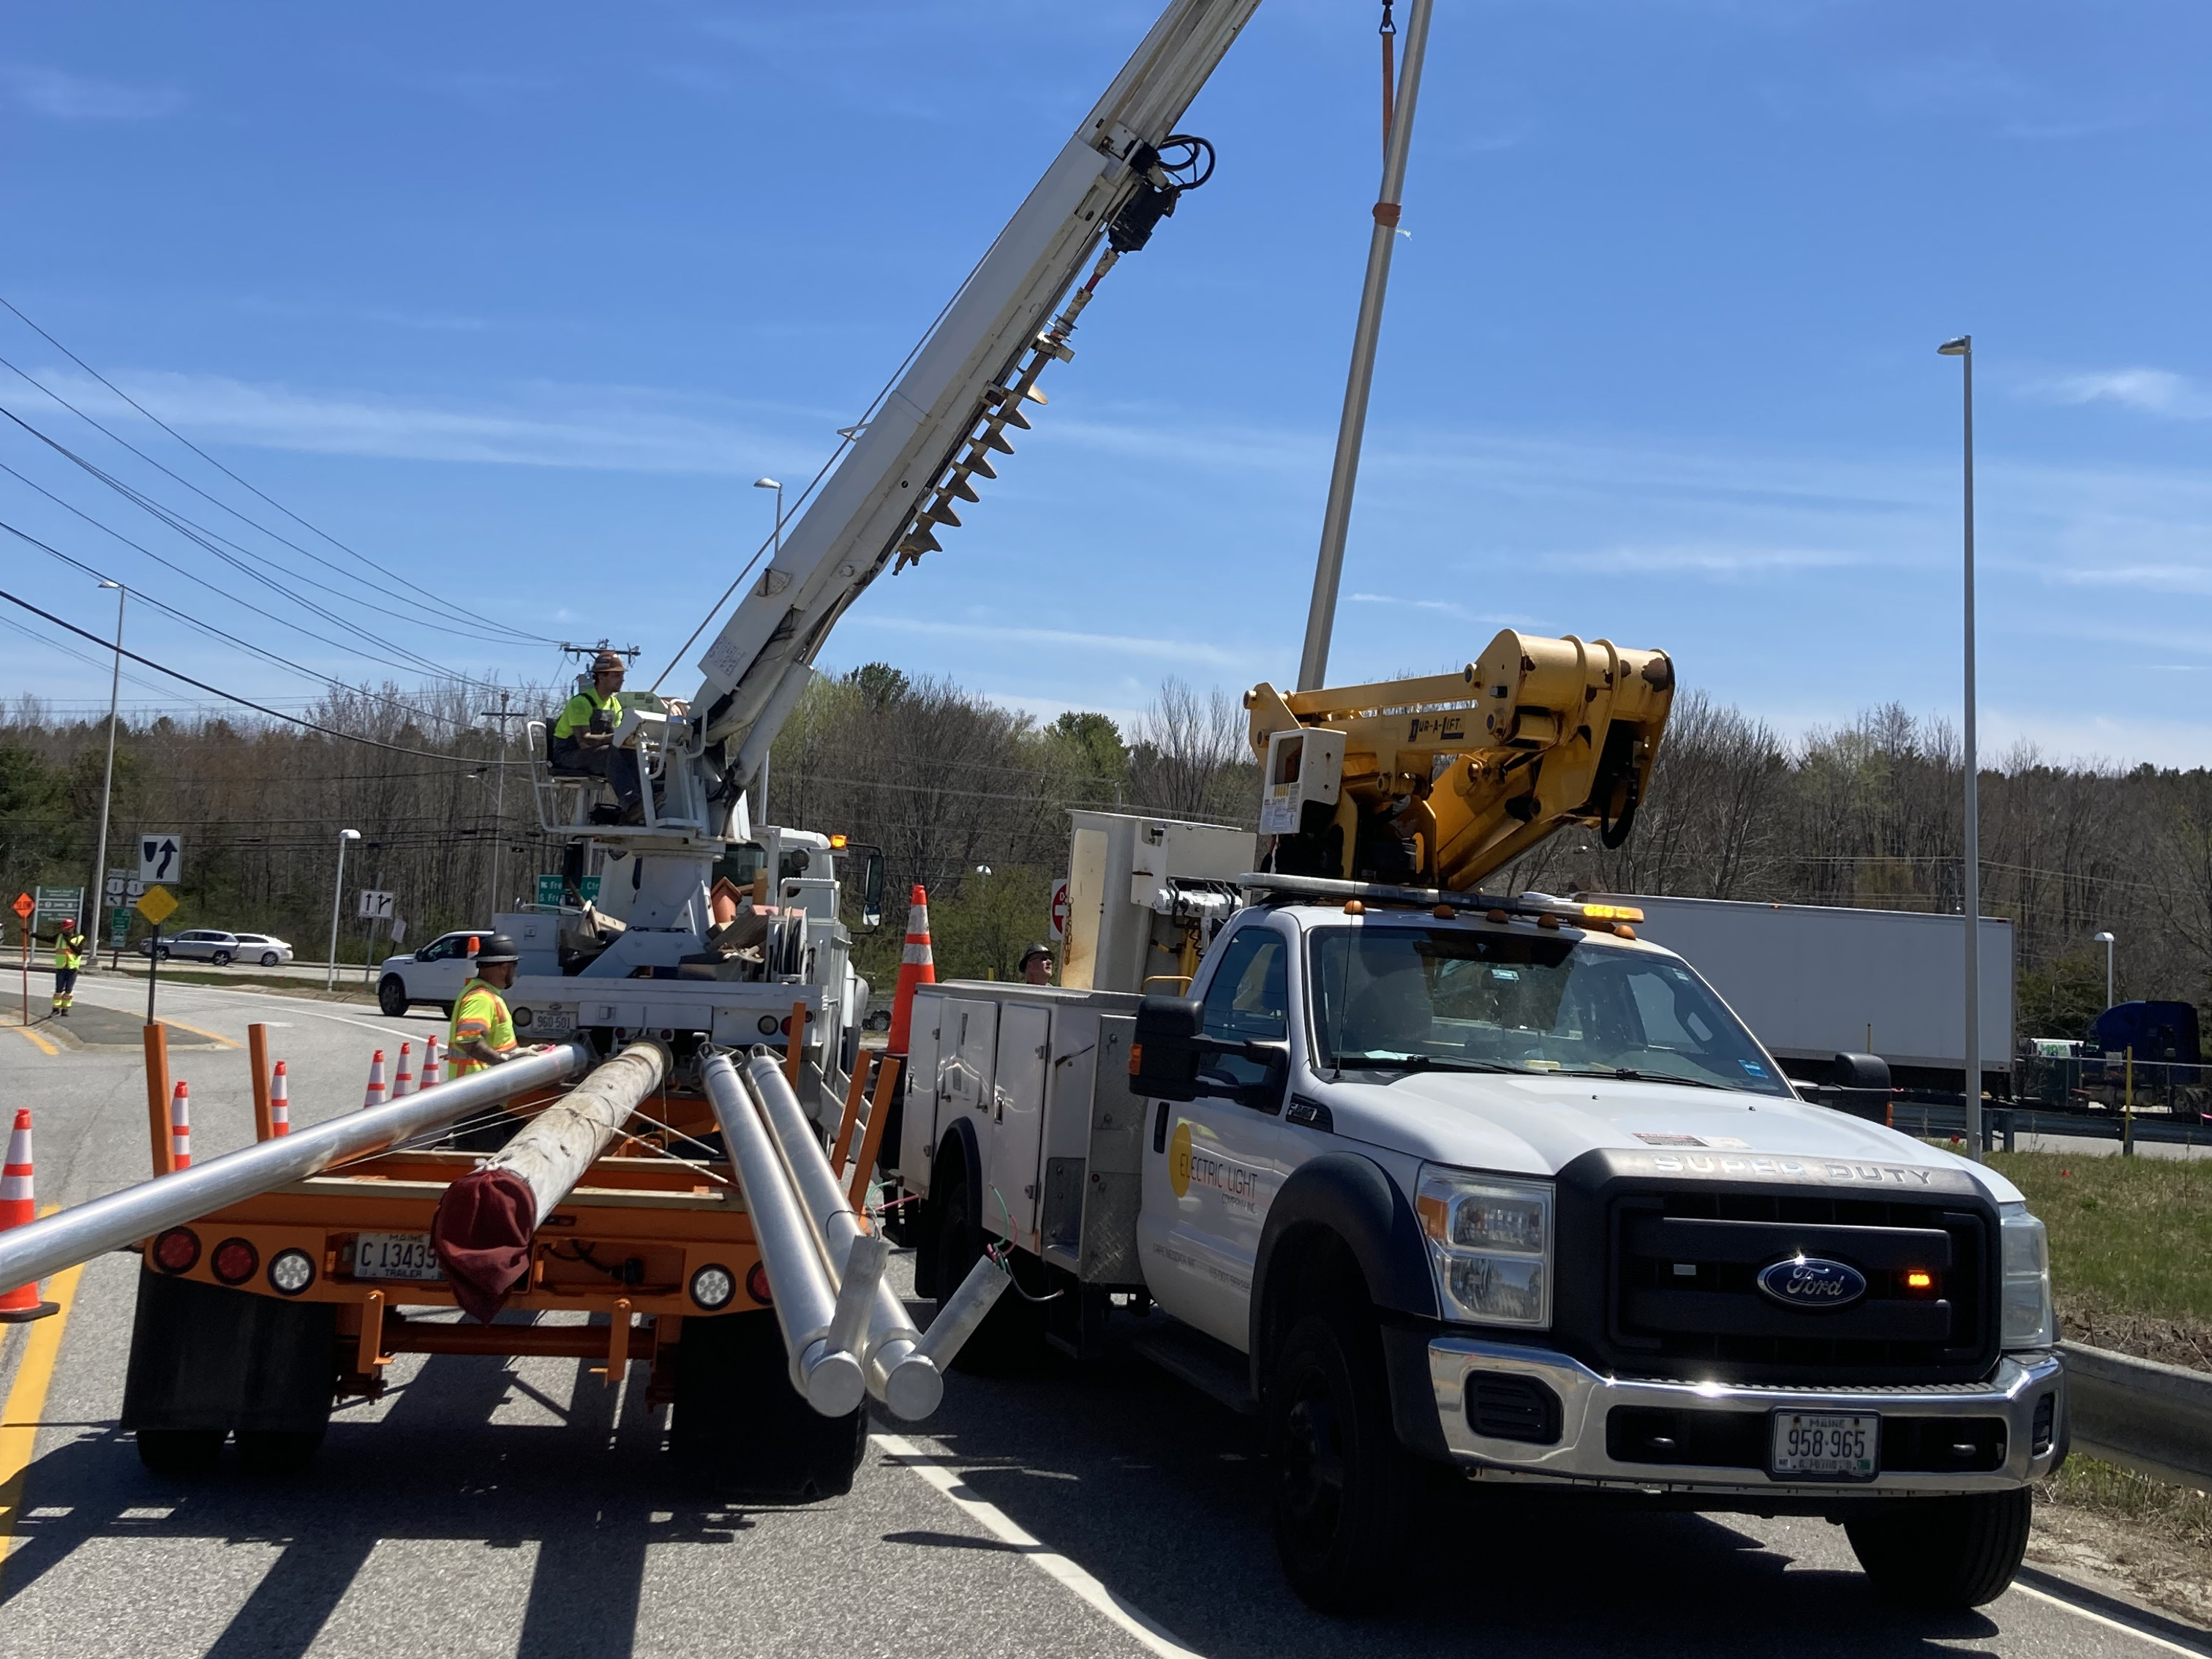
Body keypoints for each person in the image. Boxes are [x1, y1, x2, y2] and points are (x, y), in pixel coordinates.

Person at [549, 650, 644, 821]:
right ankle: (632, 805)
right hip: (568, 755)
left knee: (632, 754)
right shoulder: (581, 703)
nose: (622, 679)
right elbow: (584, 741)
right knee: (609, 753)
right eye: (616, 675)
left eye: (622, 675)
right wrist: (615, 738)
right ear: (601, 677)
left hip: (596, 753)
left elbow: (616, 736)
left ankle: (645, 803)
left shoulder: (614, 704)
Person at [448, 933, 526, 1076]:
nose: (515, 971)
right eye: (515, 965)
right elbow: (468, 1042)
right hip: (476, 1089)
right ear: (505, 967)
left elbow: (499, 1045)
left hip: (481, 1088)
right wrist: (505, 1065)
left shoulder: (485, 994)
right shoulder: (481, 998)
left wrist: (521, 1053)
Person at [50, 917, 86, 1017]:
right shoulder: (60, 937)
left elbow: (79, 952)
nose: (65, 930)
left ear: (72, 928)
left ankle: (65, 1010)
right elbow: (47, 938)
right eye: (64, 928)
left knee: (69, 989)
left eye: (68, 928)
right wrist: (31, 934)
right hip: (61, 967)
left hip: (72, 968)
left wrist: (69, 942)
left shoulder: (80, 938)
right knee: (59, 989)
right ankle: (55, 1009)